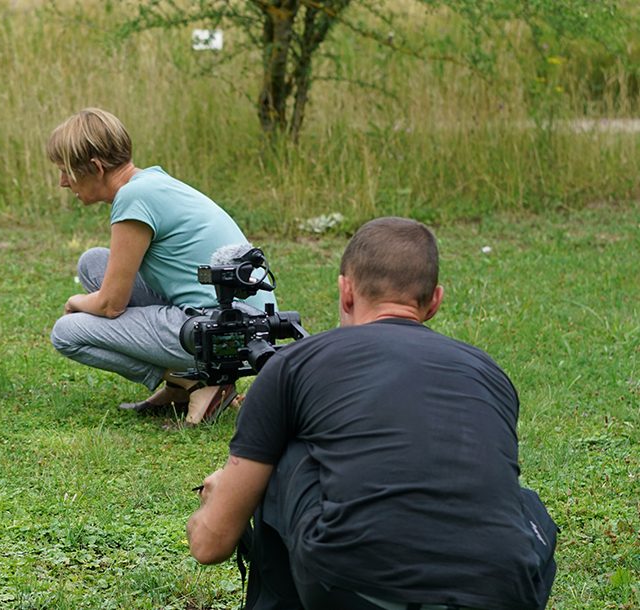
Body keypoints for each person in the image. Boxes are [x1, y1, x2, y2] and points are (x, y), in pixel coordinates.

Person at [186, 217, 558, 609]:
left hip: (355, 589)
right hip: (504, 591)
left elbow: (210, 545)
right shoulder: (487, 371)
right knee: (524, 503)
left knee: (284, 456)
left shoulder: (293, 365)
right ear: (434, 302)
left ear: (345, 291)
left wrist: (219, 496)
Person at [47, 107, 276, 425]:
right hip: (251, 322)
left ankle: (198, 381)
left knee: (66, 332)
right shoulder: (150, 182)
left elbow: (111, 305)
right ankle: (181, 386)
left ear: (96, 168)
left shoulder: (133, 198)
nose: (62, 182)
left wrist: (76, 302)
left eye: (66, 171)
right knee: (93, 263)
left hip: (226, 332)